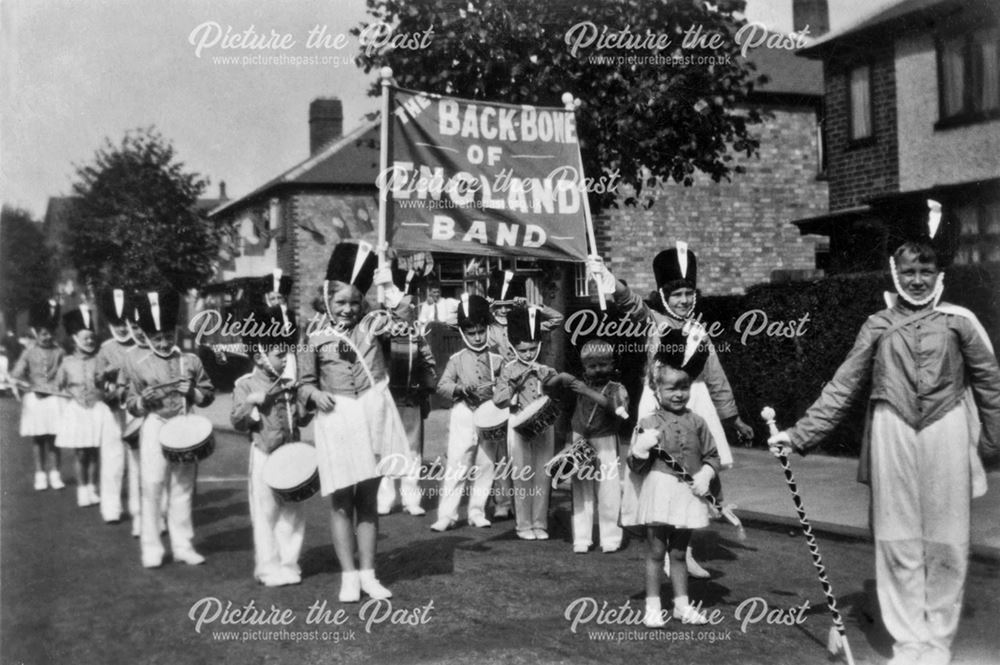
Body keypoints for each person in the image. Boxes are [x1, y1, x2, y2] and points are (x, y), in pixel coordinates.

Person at [768, 235, 1000, 665]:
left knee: (947, 541)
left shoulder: (959, 321)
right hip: (891, 431)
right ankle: (909, 644)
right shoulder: (877, 324)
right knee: (897, 540)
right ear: (895, 274)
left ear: (939, 276)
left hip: (946, 429)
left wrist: (991, 441)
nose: (917, 281)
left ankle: (936, 646)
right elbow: (842, 385)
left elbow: (991, 384)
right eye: (908, 272)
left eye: (925, 272)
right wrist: (799, 434)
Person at [589, 243, 752, 578]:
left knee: (692, 479)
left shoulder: (701, 332)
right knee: (659, 476)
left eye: (689, 293)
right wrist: (608, 278)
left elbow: (716, 377)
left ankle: (684, 549)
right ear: (663, 296)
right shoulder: (653, 322)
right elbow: (630, 303)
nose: (683, 300)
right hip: (658, 406)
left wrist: (732, 418)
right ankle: (660, 549)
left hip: (695, 406)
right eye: (676, 294)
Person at [297, 241, 410, 602]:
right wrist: (314, 396)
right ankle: (348, 575)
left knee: (369, 499)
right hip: (337, 418)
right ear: (326, 299)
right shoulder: (311, 334)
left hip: (374, 411)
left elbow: (406, 317)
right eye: (340, 302)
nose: (347, 309)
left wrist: (388, 282)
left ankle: (368, 573)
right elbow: (302, 383)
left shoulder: (372, 323)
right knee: (342, 501)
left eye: (354, 302)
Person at [621, 333, 719, 627]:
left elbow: (712, 455)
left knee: (678, 553)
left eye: (684, 387)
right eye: (671, 388)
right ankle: (652, 607)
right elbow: (634, 465)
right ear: (656, 389)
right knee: (656, 551)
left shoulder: (698, 421)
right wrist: (640, 447)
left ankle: (681, 605)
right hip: (659, 492)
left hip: (688, 493)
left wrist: (706, 474)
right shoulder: (648, 423)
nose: (679, 394)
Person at [126, 290, 215, 568]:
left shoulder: (190, 360)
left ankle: (183, 545)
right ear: (147, 337)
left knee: (183, 487)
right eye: (157, 338)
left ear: (175, 332)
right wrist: (142, 401)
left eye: (167, 335)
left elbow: (208, 393)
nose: (163, 343)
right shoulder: (136, 363)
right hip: (155, 425)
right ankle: (151, 548)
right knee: (152, 486)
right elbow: (130, 403)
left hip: (184, 426)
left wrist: (194, 393)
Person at [232, 305, 309, 587]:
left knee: (293, 511)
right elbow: (237, 421)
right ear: (260, 356)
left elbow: (301, 417)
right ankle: (267, 567)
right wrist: (252, 403)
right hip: (264, 453)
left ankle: (289, 564)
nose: (285, 359)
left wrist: (306, 403)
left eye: (286, 353)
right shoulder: (245, 384)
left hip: (291, 454)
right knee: (265, 513)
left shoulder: (290, 383)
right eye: (279, 355)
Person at [485, 269, 564, 521]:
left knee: (534, 454)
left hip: (531, 388)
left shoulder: (528, 326)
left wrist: (530, 306)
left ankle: (536, 509)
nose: (505, 311)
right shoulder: (490, 330)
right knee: (503, 452)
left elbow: (557, 319)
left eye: (510, 305)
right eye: (500, 306)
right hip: (504, 388)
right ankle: (502, 500)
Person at [430, 294, 505, 531]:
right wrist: (460, 388)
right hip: (463, 413)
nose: (477, 337)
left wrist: (499, 394)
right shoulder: (456, 359)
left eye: (481, 331)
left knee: (486, 464)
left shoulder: (497, 359)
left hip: (489, 414)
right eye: (471, 333)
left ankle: (477, 511)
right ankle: (447, 515)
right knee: (457, 464)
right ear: (463, 333)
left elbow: (505, 386)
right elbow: (442, 386)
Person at [378, 266, 438, 517]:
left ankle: (411, 498)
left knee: (413, 450)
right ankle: (385, 496)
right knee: (388, 448)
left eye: (411, 307)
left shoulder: (417, 335)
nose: (410, 310)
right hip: (388, 397)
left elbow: (428, 362)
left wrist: (426, 385)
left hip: (412, 398)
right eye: (406, 306)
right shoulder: (381, 332)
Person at [566, 339, 629, 553]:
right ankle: (582, 538)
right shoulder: (581, 386)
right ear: (584, 367)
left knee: (608, 488)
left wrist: (586, 391)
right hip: (580, 438)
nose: (598, 370)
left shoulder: (616, 388)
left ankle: (610, 537)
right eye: (592, 366)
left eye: (603, 365)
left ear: (612, 364)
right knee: (581, 488)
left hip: (606, 440)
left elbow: (618, 410)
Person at [56, 304, 119, 508]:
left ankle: (92, 487)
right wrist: (69, 397)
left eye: (92, 338)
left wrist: (109, 386)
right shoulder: (66, 362)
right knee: (81, 452)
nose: (90, 341)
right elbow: (59, 386)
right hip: (77, 410)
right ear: (74, 339)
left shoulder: (99, 360)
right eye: (86, 338)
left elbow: (106, 383)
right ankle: (82, 489)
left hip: (97, 408)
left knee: (95, 450)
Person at [95, 288, 139, 524]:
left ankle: (137, 505)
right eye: (116, 323)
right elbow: (97, 380)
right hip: (113, 408)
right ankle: (111, 506)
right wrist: (106, 381)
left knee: (136, 456)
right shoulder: (106, 348)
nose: (122, 328)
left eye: (125, 322)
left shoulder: (139, 344)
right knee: (112, 456)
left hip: (135, 407)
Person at [11, 299, 65, 491]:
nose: (46, 336)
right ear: (36, 333)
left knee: (53, 438)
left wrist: (60, 384)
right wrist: (22, 382)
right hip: (35, 399)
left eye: (49, 333)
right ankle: (40, 473)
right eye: (43, 333)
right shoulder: (29, 352)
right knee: (38, 439)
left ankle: (55, 473)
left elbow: (64, 372)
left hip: (54, 399)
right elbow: (17, 373)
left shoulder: (59, 352)